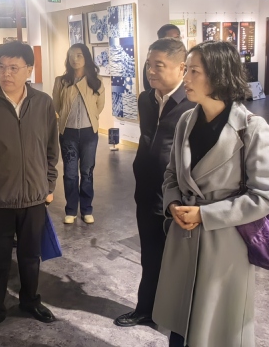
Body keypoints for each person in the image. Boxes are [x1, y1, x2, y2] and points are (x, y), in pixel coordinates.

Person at [152, 41, 269, 347]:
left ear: (219, 75)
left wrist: (205, 214)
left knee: (214, 330)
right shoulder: (187, 120)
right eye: (186, 69)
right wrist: (173, 203)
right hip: (183, 237)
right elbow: (172, 173)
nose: (185, 78)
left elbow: (266, 195)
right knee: (180, 326)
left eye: (194, 71)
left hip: (225, 245)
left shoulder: (252, 128)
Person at [0, 41, 59, 340]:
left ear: (29, 69)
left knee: (31, 256)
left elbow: (51, 148)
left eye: (14, 67)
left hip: (34, 198)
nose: (6, 73)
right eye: (1, 67)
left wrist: (49, 184)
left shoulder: (43, 103)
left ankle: (30, 300)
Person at [114, 38, 194, 328]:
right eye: (149, 65)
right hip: (146, 191)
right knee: (149, 254)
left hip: (178, 197)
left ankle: (179, 317)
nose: (151, 71)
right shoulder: (146, 99)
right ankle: (146, 309)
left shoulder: (193, 103)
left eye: (159, 66)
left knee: (180, 262)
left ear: (181, 68)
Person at [52, 43, 105, 224]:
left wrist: (90, 120)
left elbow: (99, 106)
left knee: (87, 172)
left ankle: (87, 209)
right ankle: (71, 209)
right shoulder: (61, 81)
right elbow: (57, 105)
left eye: (79, 55)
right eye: (71, 55)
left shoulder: (96, 80)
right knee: (70, 173)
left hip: (89, 132)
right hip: (68, 133)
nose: (75, 59)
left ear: (86, 57)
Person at [142, 24, 181, 91]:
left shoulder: (185, 57)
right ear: (161, 40)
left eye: (177, 37)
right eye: (172, 39)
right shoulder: (152, 60)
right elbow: (148, 85)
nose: (176, 41)